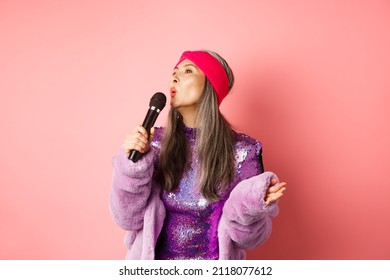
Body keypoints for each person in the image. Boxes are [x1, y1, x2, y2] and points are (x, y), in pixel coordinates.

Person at [110, 50, 287, 260]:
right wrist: (133, 167)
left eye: (187, 71)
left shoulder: (243, 151)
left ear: (211, 86)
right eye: (174, 72)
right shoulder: (153, 144)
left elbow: (248, 240)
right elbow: (127, 219)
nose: (175, 77)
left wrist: (251, 204)